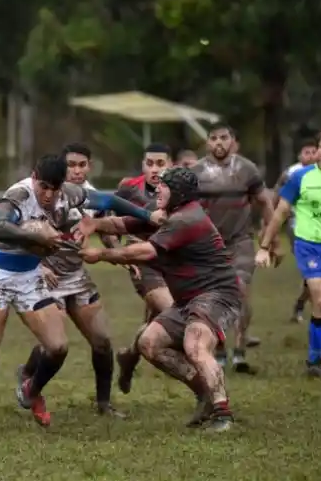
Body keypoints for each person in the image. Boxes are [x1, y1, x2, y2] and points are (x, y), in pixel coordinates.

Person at [0, 154, 162, 433]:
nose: (48, 194)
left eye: (54, 188)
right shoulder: (19, 194)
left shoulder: (66, 193)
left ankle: (31, 389)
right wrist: (35, 236)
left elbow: (108, 201)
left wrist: (148, 215)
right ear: (34, 178)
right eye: (43, 186)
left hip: (29, 277)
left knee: (58, 347)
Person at [76, 167, 241, 432]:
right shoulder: (168, 213)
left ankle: (223, 414)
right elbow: (123, 223)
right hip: (188, 299)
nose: (158, 189)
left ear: (180, 194)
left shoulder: (187, 219)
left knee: (195, 343)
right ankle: (204, 395)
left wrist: (102, 254)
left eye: (165, 186)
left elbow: (144, 250)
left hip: (217, 295)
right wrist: (94, 224)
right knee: (149, 342)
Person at [19, 143, 125, 418]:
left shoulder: (91, 197)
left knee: (102, 340)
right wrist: (39, 265)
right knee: (53, 343)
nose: (76, 171)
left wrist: (118, 255)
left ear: (89, 166)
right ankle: (29, 379)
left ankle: (104, 403)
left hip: (77, 275)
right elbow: (21, 235)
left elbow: (105, 229)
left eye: (82, 165)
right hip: (46, 276)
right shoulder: (41, 193)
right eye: (71, 165)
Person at [256, 129, 321, 379]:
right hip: (307, 245)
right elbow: (280, 213)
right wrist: (264, 246)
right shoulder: (300, 177)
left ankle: (313, 359)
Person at [190, 123, 274, 372]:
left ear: (232, 141)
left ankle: (239, 352)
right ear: (207, 143)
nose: (219, 142)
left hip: (241, 242)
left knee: (240, 291)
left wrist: (272, 241)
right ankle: (219, 350)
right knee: (212, 299)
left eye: (224, 138)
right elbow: (184, 209)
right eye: (213, 138)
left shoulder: (247, 169)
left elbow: (265, 203)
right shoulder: (195, 172)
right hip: (208, 245)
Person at [110, 144, 175, 394]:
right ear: (142, 164)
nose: (155, 169)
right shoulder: (128, 188)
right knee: (172, 311)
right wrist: (120, 253)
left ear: (170, 164)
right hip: (143, 263)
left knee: (156, 320)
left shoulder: (177, 190)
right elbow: (109, 222)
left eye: (160, 163)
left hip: (171, 262)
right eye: (150, 163)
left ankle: (129, 356)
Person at [273, 139, 318, 323]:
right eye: (306, 152)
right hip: (296, 225)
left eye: (313, 151)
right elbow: (276, 195)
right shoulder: (291, 173)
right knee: (311, 269)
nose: (310, 155)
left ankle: (301, 304)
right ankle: (310, 307)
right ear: (300, 156)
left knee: (316, 272)